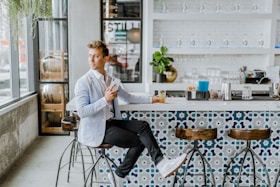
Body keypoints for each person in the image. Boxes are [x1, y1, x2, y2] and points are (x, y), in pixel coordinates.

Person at [74, 40, 186, 186]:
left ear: (105, 58)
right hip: (96, 129)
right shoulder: (83, 82)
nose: (91, 60)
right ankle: (121, 175)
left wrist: (153, 99)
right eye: (90, 56)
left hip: (110, 122)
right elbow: (82, 112)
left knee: (143, 126)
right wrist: (105, 100)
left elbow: (128, 98)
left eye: (95, 56)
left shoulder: (110, 80)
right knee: (141, 141)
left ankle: (161, 164)